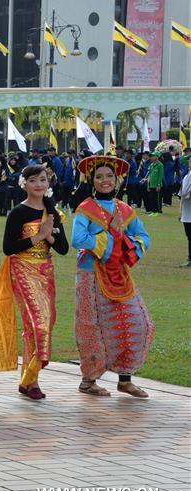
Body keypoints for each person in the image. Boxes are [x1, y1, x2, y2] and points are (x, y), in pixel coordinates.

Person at [72, 156, 154, 398]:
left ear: (117, 180)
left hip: (119, 272)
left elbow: (143, 237)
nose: (105, 180)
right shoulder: (85, 208)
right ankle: (88, 381)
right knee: (92, 325)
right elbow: (78, 239)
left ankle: (125, 379)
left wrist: (124, 242)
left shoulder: (125, 210)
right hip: (91, 274)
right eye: (99, 177)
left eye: (109, 176)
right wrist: (110, 239)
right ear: (92, 181)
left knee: (137, 322)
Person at [0, 165, 69, 400]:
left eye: (43, 180)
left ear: (48, 183)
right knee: (38, 326)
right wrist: (37, 237)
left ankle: (29, 380)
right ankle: (30, 380)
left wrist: (50, 235)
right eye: (33, 180)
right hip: (23, 270)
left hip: (46, 271)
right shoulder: (18, 213)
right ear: (24, 184)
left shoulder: (52, 212)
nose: (39, 184)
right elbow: (8, 248)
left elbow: (64, 249)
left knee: (44, 325)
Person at [181, 167, 191, 268]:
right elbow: (183, 195)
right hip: (187, 213)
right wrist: (180, 213)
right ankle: (190, 258)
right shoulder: (186, 177)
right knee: (189, 237)